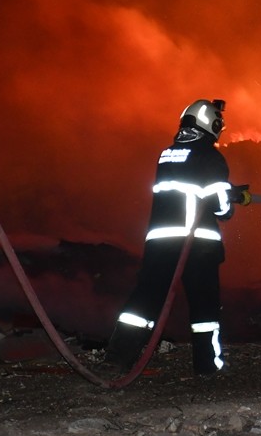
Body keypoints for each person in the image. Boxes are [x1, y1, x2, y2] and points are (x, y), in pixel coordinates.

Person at [107, 98, 250, 375]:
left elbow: (189, 187)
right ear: (213, 124)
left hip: (160, 242)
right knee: (204, 308)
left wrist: (227, 190)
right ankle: (208, 366)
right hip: (196, 244)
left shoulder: (168, 153)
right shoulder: (211, 156)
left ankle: (118, 357)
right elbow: (218, 204)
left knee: (145, 299)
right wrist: (231, 199)